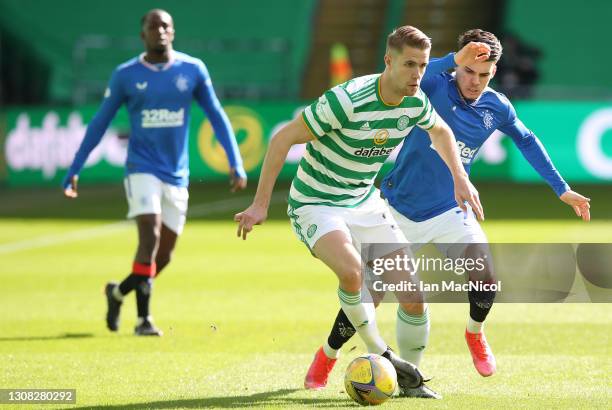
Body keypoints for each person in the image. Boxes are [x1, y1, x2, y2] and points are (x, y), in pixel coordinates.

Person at [306, 29, 591, 395]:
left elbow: (527, 139)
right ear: (457, 65)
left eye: (484, 75)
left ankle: (473, 334)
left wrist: (562, 189)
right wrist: (456, 60)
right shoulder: (432, 85)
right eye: (469, 71)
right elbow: (421, 70)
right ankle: (328, 354)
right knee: (369, 295)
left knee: (486, 277)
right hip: (397, 210)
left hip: (449, 210)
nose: (475, 81)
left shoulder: (497, 106)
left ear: (494, 73)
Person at [234, 25, 486, 398]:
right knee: (353, 273)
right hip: (316, 202)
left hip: (363, 200)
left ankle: (408, 381)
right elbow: (283, 138)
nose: (417, 74)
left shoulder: (415, 102)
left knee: (413, 296)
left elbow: (442, 133)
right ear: (388, 61)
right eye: (409, 65)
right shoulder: (347, 100)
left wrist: (459, 179)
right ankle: (381, 353)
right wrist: (259, 204)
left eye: (422, 65)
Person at [62, 9, 246, 336]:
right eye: (153, 26)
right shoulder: (126, 75)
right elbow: (99, 122)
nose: (160, 30)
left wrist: (235, 161)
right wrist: (76, 166)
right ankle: (143, 320)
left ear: (173, 33)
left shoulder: (192, 70)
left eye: (166, 26)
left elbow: (216, 115)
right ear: (142, 34)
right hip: (141, 168)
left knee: (164, 257)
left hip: (177, 174)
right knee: (150, 234)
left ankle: (117, 292)